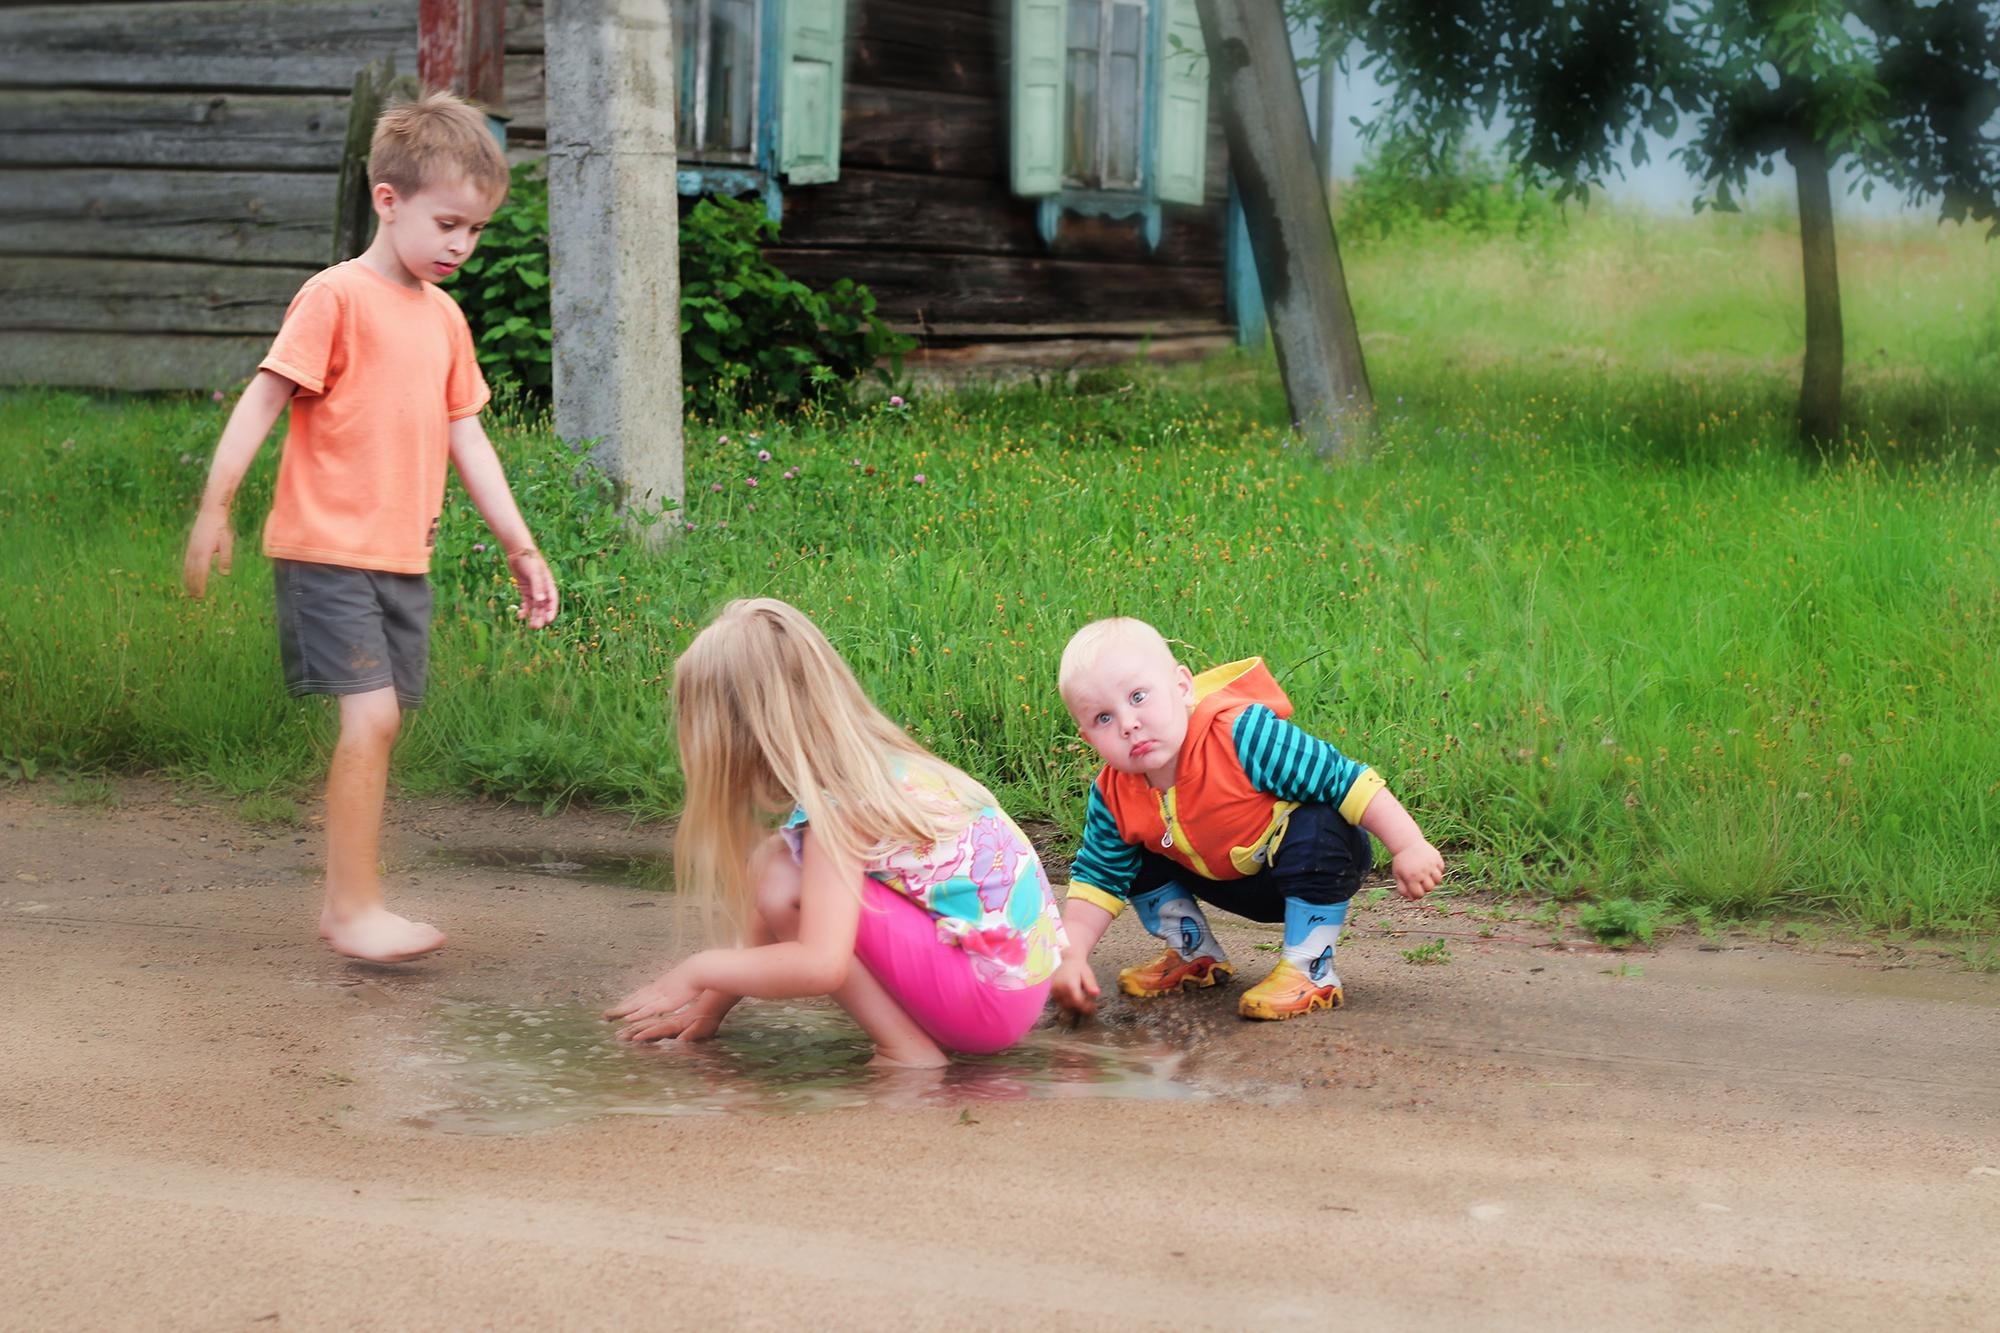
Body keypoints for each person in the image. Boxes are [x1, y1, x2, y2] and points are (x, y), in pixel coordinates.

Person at [181, 91, 558, 964]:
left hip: (402, 557)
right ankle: (351, 908)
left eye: (476, 230)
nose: (462, 245)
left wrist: (521, 543)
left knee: (383, 722)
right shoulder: (336, 297)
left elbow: (469, 434)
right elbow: (266, 395)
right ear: (389, 201)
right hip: (327, 549)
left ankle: (351, 901)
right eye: (449, 223)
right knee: (373, 718)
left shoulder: (446, 318)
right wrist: (216, 502)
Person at [606, 599, 1066, 1067]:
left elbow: (819, 965)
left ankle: (904, 1050)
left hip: (983, 1004)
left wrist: (697, 969)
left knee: (782, 882)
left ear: (736, 737)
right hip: (1015, 988)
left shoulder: (838, 810)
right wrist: (707, 1009)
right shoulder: (884, 768)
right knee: (778, 862)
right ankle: (912, 1033)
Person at [1048, 618, 1443, 1022]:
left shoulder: (1241, 735)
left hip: (1299, 865)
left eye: (1138, 696)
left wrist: (1408, 844)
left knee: (1321, 824)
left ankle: (1311, 969)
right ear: (1088, 738)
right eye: (1103, 718)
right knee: (1124, 854)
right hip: (1220, 874)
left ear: (1182, 687)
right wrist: (1071, 955)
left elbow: (1344, 779)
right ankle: (1193, 952)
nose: (1128, 724)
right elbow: (1096, 880)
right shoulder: (1113, 793)